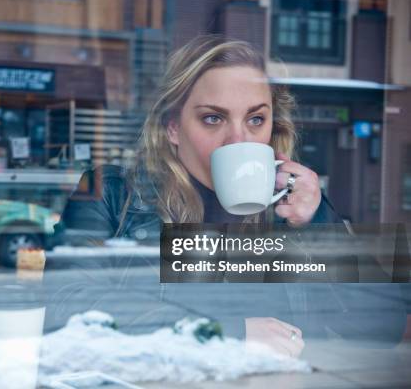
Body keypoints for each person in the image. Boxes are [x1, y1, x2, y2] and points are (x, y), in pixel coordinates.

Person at [52, 36, 405, 357]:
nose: (238, 141)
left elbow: (382, 326)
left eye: (255, 119)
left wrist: (319, 220)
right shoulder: (113, 194)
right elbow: (63, 304)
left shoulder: (289, 211)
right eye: (212, 118)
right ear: (173, 127)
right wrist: (224, 331)